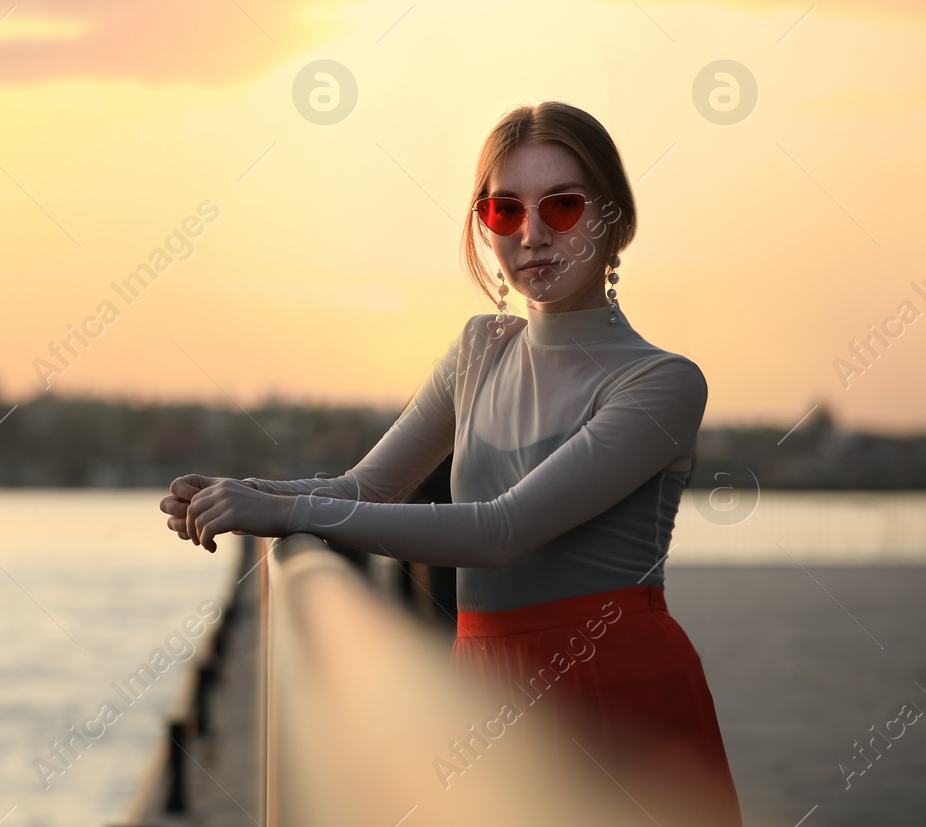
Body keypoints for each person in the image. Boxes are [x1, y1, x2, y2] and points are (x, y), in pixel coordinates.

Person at [160, 101, 741, 826]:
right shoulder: (479, 351)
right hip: (481, 684)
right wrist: (243, 490)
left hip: (613, 688)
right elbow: (367, 487)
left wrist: (285, 511)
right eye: (504, 210)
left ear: (613, 218)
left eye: (562, 205)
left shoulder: (662, 381)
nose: (531, 234)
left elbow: (500, 531)